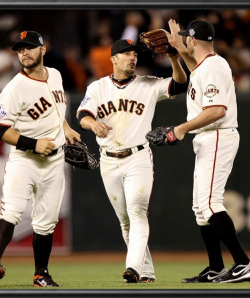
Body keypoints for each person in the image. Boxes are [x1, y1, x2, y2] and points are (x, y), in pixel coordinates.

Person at [76, 38, 187, 283]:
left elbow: (180, 84)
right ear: (113, 59)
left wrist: (174, 58)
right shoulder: (98, 87)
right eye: (126, 54)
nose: (132, 57)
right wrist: (93, 123)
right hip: (108, 161)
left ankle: (133, 268)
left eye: (134, 54)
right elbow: (82, 115)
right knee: (125, 221)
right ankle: (146, 272)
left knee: (136, 212)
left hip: (138, 157)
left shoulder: (148, 84)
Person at [0, 30, 80, 288]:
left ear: (43, 50)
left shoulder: (55, 75)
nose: (24, 52)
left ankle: (41, 274)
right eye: (20, 49)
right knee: (11, 211)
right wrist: (33, 143)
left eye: (29, 47)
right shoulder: (14, 88)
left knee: (46, 221)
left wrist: (66, 129)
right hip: (25, 160)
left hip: (55, 161)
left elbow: (58, 109)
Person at [165, 19, 250, 283]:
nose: (184, 40)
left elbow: (217, 110)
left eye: (186, 38)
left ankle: (244, 263)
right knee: (200, 208)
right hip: (209, 138)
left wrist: (181, 128)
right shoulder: (206, 66)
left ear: (193, 40)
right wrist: (177, 48)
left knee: (210, 204)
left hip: (217, 135)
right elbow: (196, 69)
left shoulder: (215, 66)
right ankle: (216, 267)